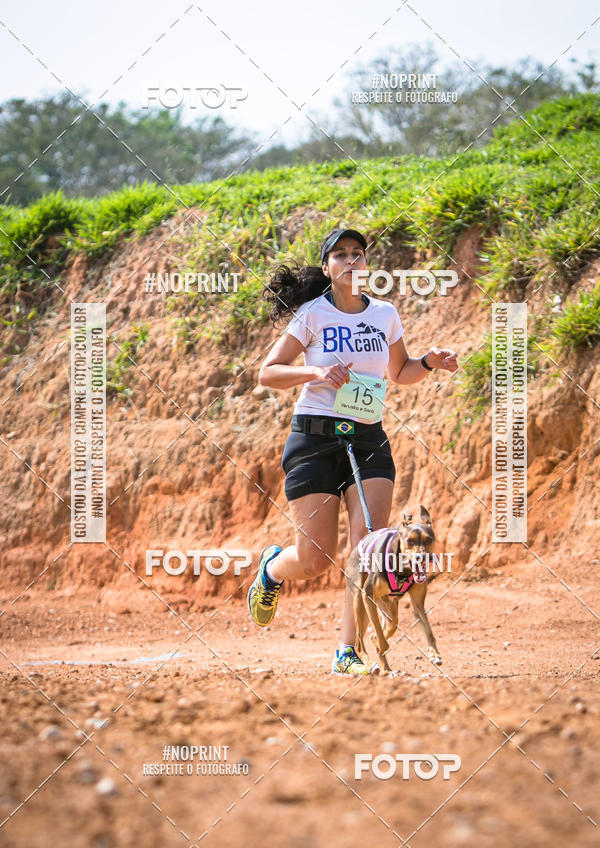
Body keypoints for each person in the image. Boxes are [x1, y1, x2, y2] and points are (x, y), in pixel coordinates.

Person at [247, 227, 458, 674]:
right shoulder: (311, 314)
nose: (350, 261)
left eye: (357, 254)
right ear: (327, 267)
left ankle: (347, 651)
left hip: (368, 438)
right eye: (340, 255)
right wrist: (316, 373)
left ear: (366, 265)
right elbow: (268, 373)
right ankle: (271, 570)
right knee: (315, 559)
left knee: (365, 549)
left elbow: (399, 371)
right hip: (315, 439)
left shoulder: (384, 314)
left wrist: (429, 362)